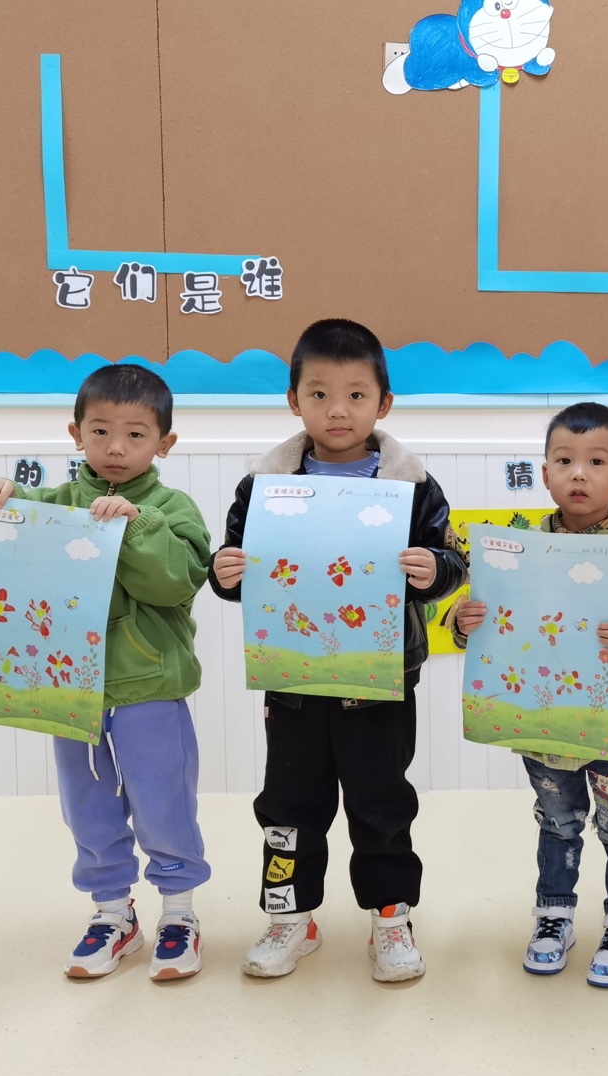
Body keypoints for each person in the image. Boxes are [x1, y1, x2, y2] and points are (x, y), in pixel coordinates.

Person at [209, 318, 466, 983]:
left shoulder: (412, 483)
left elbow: (451, 562)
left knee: (382, 802)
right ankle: (290, 917)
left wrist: (433, 570)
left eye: (356, 394)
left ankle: (391, 917)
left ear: (384, 403)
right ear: (294, 401)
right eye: (319, 393)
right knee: (288, 804)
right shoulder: (264, 484)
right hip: (293, 680)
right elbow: (236, 569)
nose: (338, 409)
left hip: (381, 680)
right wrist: (225, 574)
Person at [0, 364, 212, 981]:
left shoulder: (172, 508)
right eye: (100, 431)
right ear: (76, 434)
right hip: (66, 689)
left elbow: (178, 581)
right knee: (86, 804)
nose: (115, 447)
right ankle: (112, 914)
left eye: (135, 434)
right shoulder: (53, 505)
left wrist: (135, 523)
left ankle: (179, 915)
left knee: (164, 801)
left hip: (150, 687)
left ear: (164, 443)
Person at [453, 402, 608, 987]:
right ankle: (554, 916)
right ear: (544, 474)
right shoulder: (516, 550)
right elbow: (482, 623)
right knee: (557, 821)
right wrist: (466, 623)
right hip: (542, 723)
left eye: (597, 462)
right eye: (565, 461)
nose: (579, 474)